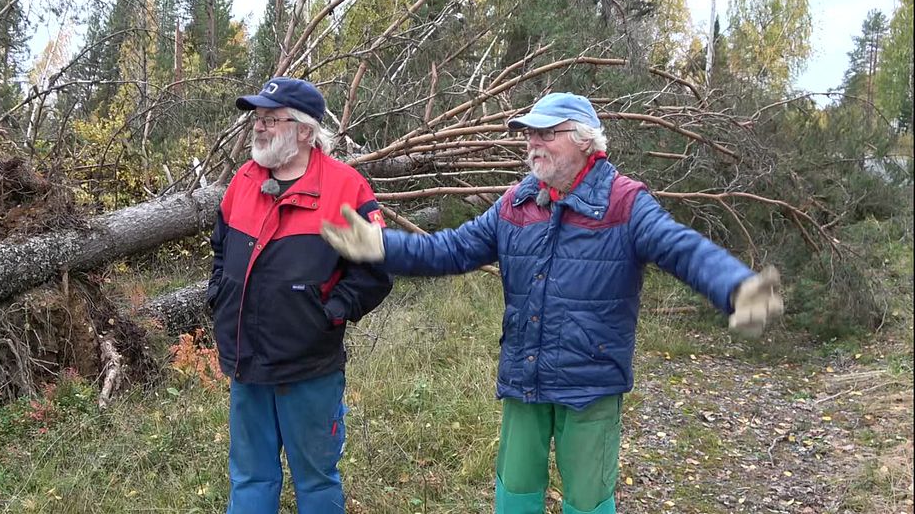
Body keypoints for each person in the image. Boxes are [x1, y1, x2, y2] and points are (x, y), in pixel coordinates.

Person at [320, 92, 784, 514]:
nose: (532, 144)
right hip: (526, 376)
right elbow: (449, 249)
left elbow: (682, 248)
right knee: (516, 493)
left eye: (546, 133)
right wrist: (381, 246)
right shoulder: (515, 204)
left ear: (585, 141)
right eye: (529, 134)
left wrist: (737, 289)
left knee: (587, 501)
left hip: (590, 384)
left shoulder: (623, 203)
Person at [208, 76, 393, 514]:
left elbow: (376, 269)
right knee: (251, 476)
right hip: (246, 360)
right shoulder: (245, 180)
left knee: (315, 479)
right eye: (258, 119)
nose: (259, 127)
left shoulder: (346, 188)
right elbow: (220, 247)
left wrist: (329, 313)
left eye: (272, 119)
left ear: (305, 131)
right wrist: (219, 292)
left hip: (308, 365)